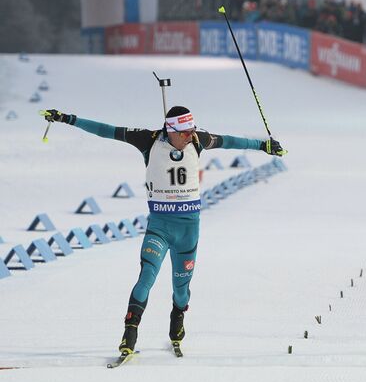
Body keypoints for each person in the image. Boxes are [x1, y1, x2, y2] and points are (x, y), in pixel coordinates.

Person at [41, 106, 285, 357]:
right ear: (171, 130)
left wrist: (263, 146)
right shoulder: (147, 140)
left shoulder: (198, 140)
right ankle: (130, 333)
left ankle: (177, 318)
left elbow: (231, 141)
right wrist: (68, 119)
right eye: (185, 132)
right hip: (159, 226)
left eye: (192, 130)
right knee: (146, 276)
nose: (190, 136)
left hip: (188, 231)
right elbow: (106, 130)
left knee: (181, 290)